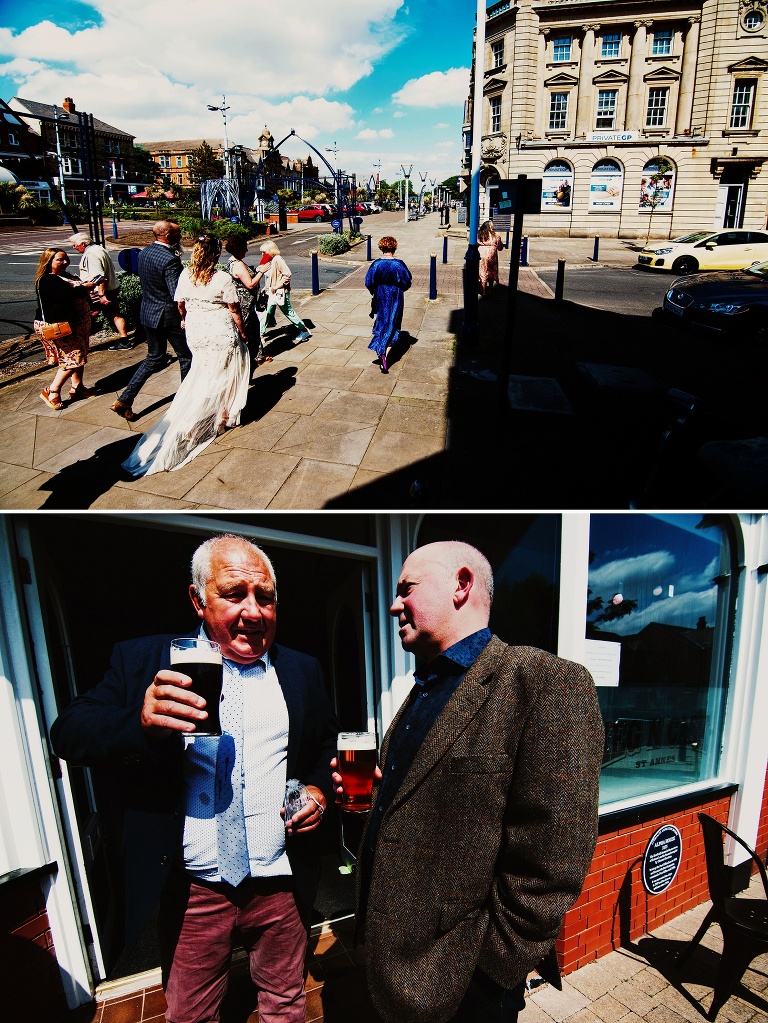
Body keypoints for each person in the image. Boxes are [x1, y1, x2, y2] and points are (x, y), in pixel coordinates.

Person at [51, 534, 338, 1023]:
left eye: (264, 597)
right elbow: (68, 733)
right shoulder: (144, 660)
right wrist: (138, 722)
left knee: (285, 1005)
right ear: (198, 601)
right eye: (234, 594)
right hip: (195, 892)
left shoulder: (302, 669)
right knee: (190, 1016)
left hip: (278, 881)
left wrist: (317, 791)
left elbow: (322, 752)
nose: (253, 611)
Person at [332, 541, 603, 1023]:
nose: (394, 604)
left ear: (461, 585)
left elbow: (554, 859)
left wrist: (490, 970)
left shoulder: (543, 683)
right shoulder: (421, 692)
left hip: (461, 986)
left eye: (406, 589)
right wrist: (372, 800)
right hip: (388, 969)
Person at [121, 235, 250, 477]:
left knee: (202, 372)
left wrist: (185, 320)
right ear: (215, 254)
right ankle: (210, 417)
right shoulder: (222, 277)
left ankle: (210, 414)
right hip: (219, 330)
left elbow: (180, 304)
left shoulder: (185, 275)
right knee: (222, 375)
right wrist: (243, 333)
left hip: (197, 331)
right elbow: (234, 310)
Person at [111, 220, 192, 422]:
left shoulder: (145, 253)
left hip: (148, 313)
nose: (180, 237)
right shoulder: (170, 259)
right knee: (186, 357)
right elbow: (176, 295)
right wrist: (186, 314)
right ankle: (187, 403)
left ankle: (125, 399)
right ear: (167, 235)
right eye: (177, 233)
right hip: (168, 316)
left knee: (153, 358)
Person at [34, 248, 99, 410]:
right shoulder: (48, 280)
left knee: (80, 354)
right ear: (49, 262)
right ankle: (52, 391)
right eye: (60, 260)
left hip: (78, 324)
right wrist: (85, 287)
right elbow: (66, 295)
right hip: (61, 325)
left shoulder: (67, 276)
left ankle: (77, 388)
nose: (65, 262)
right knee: (72, 358)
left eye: (66, 259)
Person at [69, 231, 132, 350]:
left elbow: (99, 277)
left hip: (98, 291)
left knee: (87, 316)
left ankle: (81, 345)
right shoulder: (99, 249)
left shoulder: (90, 255)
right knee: (115, 314)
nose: (74, 247)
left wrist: (101, 295)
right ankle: (124, 340)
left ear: (83, 243)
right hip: (112, 287)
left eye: (75, 245)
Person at [364, 235, 411, 374]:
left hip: (380, 294)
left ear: (381, 248)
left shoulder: (376, 264)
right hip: (395, 295)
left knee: (382, 321)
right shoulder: (399, 264)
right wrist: (398, 288)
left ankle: (380, 346)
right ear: (394, 248)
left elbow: (368, 282)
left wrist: (376, 291)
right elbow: (407, 281)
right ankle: (385, 350)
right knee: (394, 323)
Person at [224, 235, 271, 370]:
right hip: (244, 306)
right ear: (239, 248)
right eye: (245, 247)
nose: (247, 250)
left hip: (248, 306)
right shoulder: (237, 264)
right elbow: (250, 284)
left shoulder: (234, 260)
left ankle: (256, 358)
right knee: (245, 336)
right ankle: (245, 365)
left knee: (255, 333)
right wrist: (261, 272)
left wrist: (256, 270)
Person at [256, 240, 312, 344]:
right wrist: (266, 287)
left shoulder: (277, 259)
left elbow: (287, 274)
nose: (262, 254)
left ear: (270, 250)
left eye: (264, 252)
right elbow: (269, 276)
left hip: (280, 292)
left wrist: (277, 286)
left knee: (288, 312)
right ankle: (261, 335)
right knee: (266, 313)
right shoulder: (268, 260)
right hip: (271, 292)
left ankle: (304, 330)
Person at [478, 220, 504, 298]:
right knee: (491, 272)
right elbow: (500, 247)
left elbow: (475, 243)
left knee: (483, 272)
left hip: (482, 255)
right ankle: (491, 290)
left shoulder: (480, 234)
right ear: (490, 226)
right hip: (492, 256)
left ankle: (483, 291)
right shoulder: (496, 235)